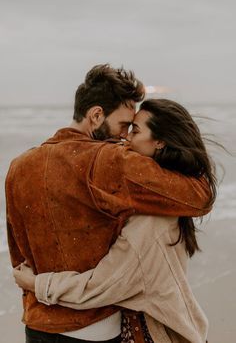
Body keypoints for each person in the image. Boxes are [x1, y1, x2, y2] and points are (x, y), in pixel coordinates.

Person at [6, 65, 212, 343]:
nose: (124, 137)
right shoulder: (108, 161)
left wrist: (35, 287)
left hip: (37, 324)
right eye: (124, 125)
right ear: (96, 115)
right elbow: (198, 197)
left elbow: (18, 255)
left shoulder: (18, 167)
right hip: (94, 327)